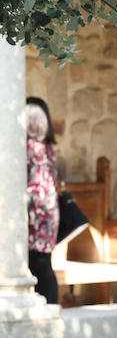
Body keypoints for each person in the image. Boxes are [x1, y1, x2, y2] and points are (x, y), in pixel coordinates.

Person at [25, 97, 60, 304]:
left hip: (36, 216)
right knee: (43, 264)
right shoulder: (46, 147)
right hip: (48, 214)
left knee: (40, 265)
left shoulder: (31, 148)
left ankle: (51, 307)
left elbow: (36, 188)